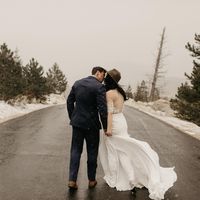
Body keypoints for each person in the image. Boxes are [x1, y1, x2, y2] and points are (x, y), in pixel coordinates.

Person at [99, 68, 177, 200]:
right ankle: (131, 178)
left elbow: (110, 113)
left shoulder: (110, 93)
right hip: (122, 121)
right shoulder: (120, 92)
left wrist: (109, 128)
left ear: (109, 80)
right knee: (123, 151)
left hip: (115, 123)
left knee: (112, 151)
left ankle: (113, 178)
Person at [67, 66, 107, 190]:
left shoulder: (78, 83)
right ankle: (91, 180)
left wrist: (73, 117)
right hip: (92, 125)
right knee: (92, 152)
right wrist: (105, 126)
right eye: (103, 76)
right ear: (98, 73)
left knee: (75, 151)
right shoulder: (99, 87)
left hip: (77, 124)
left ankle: (72, 180)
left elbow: (69, 101)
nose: (103, 79)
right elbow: (102, 109)